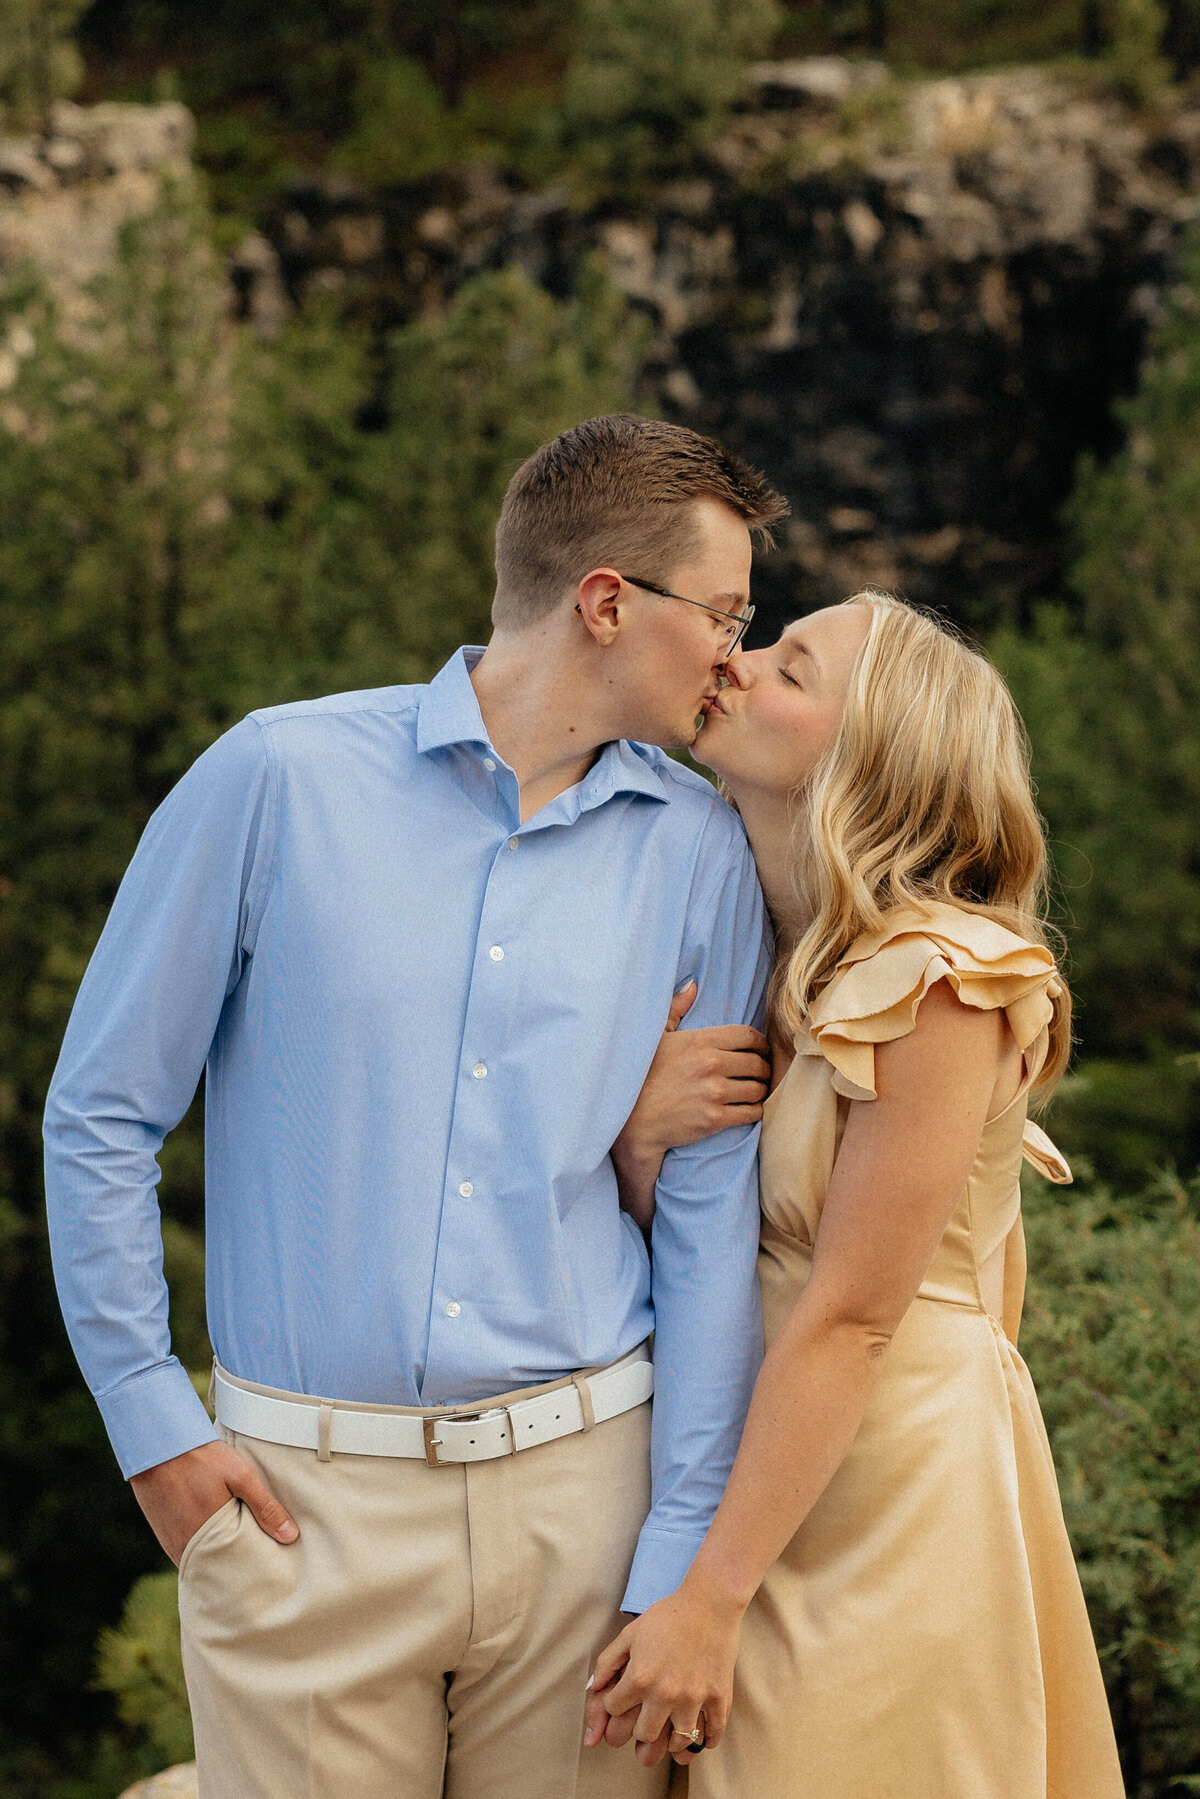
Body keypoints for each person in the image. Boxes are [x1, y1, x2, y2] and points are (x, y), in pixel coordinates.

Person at [43, 414, 789, 1799]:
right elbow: (99, 1111)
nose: (738, 656)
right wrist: (152, 1422)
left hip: (586, 1501)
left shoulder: (701, 850)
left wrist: (678, 1549)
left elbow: (703, 1225)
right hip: (298, 1513)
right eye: (727, 613)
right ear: (608, 602)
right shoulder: (275, 778)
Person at [586, 591, 1126, 1797]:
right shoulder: (775, 950)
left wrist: (711, 1594)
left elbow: (855, 1314)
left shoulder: (942, 977)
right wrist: (638, 1143)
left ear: (869, 749)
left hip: (883, 1485)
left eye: (791, 666)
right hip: (748, 1456)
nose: (739, 660)